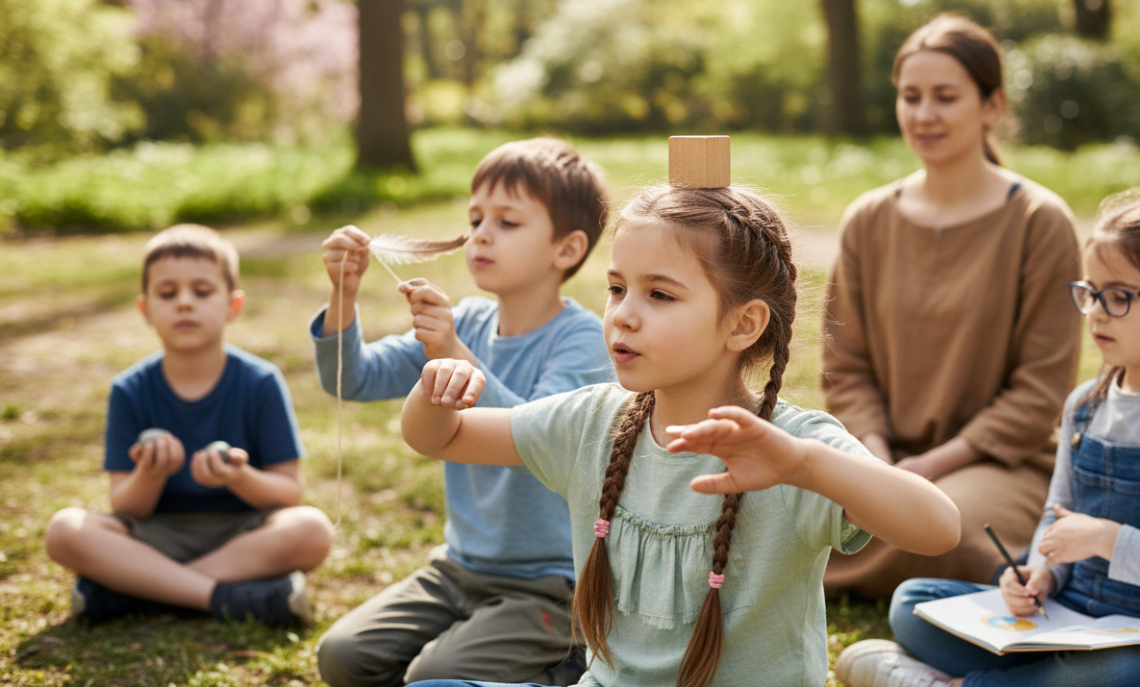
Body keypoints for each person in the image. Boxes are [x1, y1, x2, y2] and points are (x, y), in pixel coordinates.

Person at [397, 180, 961, 687]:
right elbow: (440, 438)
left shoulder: (792, 443)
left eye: (659, 295)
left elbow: (938, 528)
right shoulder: (592, 421)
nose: (624, 315)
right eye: (617, 289)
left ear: (743, 324)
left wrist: (804, 466)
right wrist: (434, 390)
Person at [836, 188, 1140, 687]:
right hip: (1070, 618)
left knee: (1128, 671)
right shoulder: (1084, 406)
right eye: (1089, 293)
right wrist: (1039, 576)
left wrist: (1109, 541)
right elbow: (1056, 516)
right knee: (912, 603)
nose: (1095, 312)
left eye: (1120, 298)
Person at [311, 138, 612, 687]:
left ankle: (569, 662)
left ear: (566, 250)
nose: (481, 233)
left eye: (508, 221)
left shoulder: (583, 341)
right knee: (342, 657)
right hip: (457, 569)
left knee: (437, 671)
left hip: (551, 584)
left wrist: (453, 352)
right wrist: (343, 296)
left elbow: (535, 439)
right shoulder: (467, 321)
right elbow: (355, 378)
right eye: (475, 218)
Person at [821, 13, 1082, 598]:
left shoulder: (1039, 222)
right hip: (878, 455)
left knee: (952, 531)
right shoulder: (868, 219)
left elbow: (1040, 389)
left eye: (945, 97)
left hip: (997, 466)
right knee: (772, 502)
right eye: (910, 97)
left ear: (991, 106)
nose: (923, 115)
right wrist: (878, 462)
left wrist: (925, 471)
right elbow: (846, 367)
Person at [44, 223, 334, 626]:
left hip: (241, 536)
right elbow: (126, 506)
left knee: (312, 529)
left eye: (201, 291)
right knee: (64, 531)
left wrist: (238, 477)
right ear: (145, 309)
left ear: (233, 305)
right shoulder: (130, 388)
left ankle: (135, 591)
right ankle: (225, 597)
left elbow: (288, 493)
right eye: (167, 293)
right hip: (154, 536)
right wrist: (150, 473)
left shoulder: (260, 381)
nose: (184, 303)